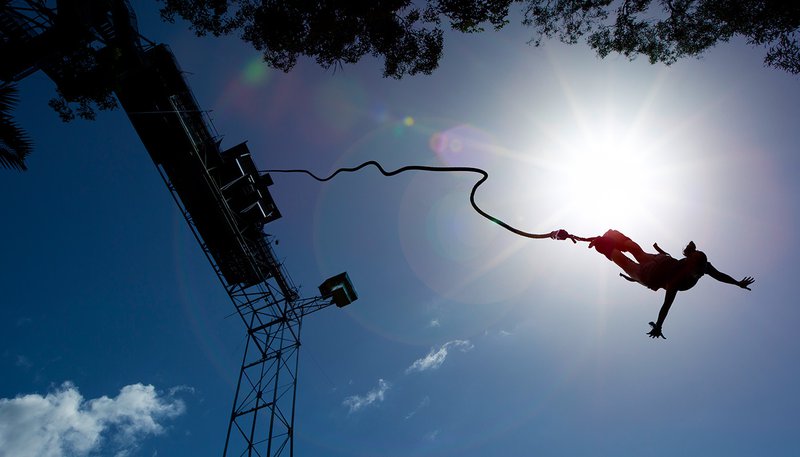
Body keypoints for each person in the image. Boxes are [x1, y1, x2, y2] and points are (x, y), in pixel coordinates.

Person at [589, 230, 754, 339]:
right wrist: (737, 283)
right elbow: (719, 276)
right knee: (634, 253)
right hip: (658, 263)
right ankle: (613, 239)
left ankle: (607, 244)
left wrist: (659, 325)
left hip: (651, 274)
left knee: (628, 260)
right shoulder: (699, 266)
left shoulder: (683, 278)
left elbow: (667, 305)